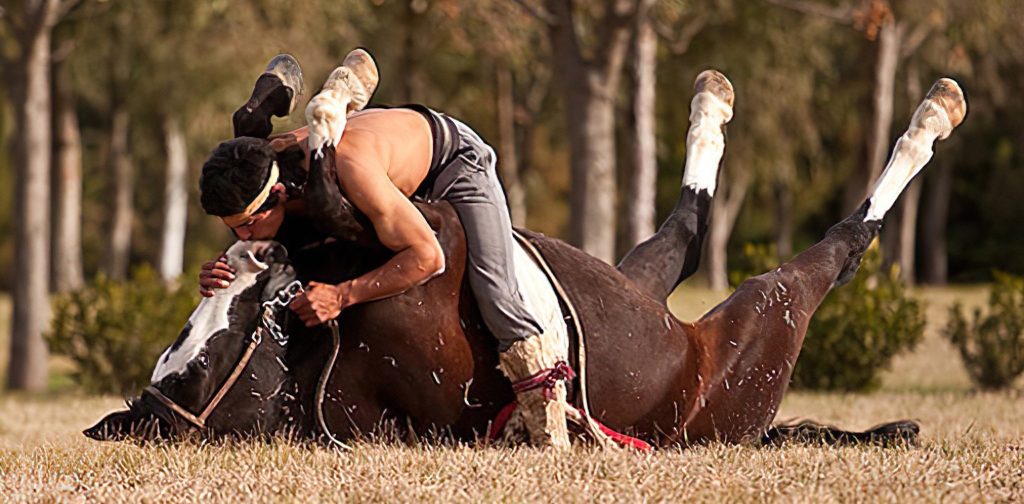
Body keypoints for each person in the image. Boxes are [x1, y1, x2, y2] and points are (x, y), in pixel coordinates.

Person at [197, 50, 573, 448]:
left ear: (277, 194)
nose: (243, 237)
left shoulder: (352, 170)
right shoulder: (259, 168)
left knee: (497, 290)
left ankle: (546, 420)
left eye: (247, 226)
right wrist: (221, 270)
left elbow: (428, 258)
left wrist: (344, 295)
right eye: (232, 230)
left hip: (453, 163)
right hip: (372, 155)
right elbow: (263, 245)